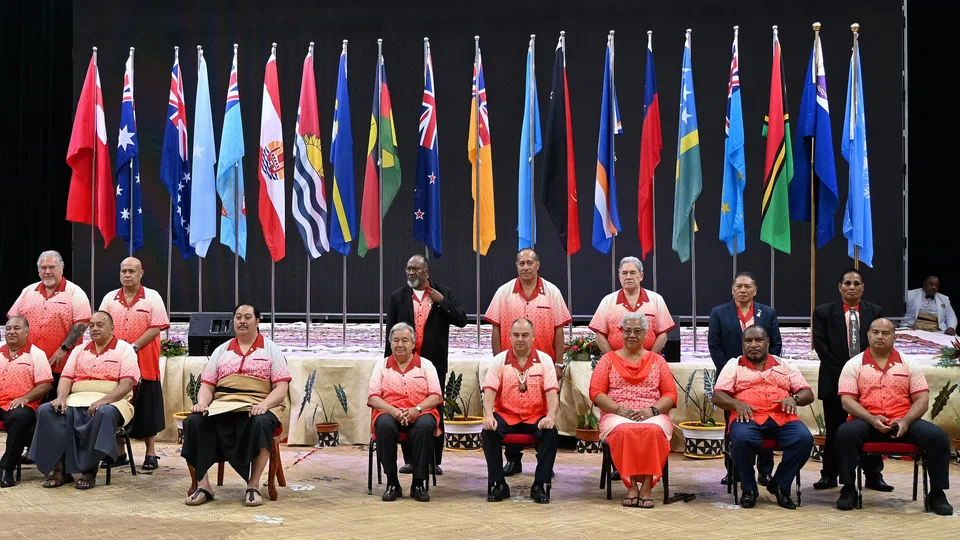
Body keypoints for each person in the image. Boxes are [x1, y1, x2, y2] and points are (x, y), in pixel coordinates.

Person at [834, 318, 954, 515]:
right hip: (867, 421)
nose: (880, 336)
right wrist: (871, 419)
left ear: (895, 337)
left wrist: (906, 421)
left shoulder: (908, 363)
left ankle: (937, 493)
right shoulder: (854, 364)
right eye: (875, 332)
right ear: (868, 335)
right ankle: (848, 489)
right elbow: (847, 401)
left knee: (937, 437)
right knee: (845, 433)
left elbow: (922, 399)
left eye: (886, 333)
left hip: (903, 422)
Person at [181, 304, 291, 507]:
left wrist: (264, 405)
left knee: (262, 423)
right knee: (193, 421)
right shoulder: (221, 350)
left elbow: (281, 388)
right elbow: (207, 385)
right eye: (238, 317)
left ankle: (253, 485)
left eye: (248, 317)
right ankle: (203, 485)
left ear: (258, 321)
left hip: (258, 403)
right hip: (223, 405)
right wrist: (203, 403)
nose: (242, 321)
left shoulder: (271, 349)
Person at [29, 311, 139, 490]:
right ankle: (61, 470)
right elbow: (66, 378)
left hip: (113, 401)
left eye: (100, 324)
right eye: (92, 325)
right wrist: (61, 397)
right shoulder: (80, 350)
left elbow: (126, 384)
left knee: (103, 412)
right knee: (46, 410)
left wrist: (105, 400)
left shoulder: (124, 349)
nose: (94, 328)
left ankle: (89, 471)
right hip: (76, 400)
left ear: (112, 327)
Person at [484, 248, 570, 475]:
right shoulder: (504, 292)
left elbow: (559, 330)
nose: (525, 267)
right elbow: (496, 328)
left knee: (542, 414)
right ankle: (513, 460)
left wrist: (558, 364)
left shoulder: (552, 292)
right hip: (510, 366)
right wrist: (497, 362)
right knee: (509, 410)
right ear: (516, 266)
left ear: (538, 265)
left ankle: (544, 462)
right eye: (521, 263)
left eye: (530, 262)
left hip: (544, 369)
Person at [713, 325, 814, 509]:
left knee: (804, 439)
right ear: (742, 344)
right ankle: (749, 488)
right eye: (748, 341)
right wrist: (737, 404)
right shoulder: (733, 365)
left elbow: (807, 393)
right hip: (748, 417)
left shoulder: (784, 365)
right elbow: (718, 395)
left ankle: (781, 485)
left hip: (782, 417)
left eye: (758, 340)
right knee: (741, 440)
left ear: (767, 342)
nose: (753, 344)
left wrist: (794, 398)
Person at [384, 254, 467, 476]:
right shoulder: (397, 297)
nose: (411, 273)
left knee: (433, 409)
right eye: (408, 269)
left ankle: (433, 460)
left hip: (433, 364)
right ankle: (410, 459)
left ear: (426, 272)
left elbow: (461, 320)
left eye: (416, 269)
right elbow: (389, 334)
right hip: (404, 364)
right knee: (404, 404)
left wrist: (442, 302)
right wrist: (387, 364)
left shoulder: (443, 293)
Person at [589, 312, 677, 508]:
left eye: (637, 331)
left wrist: (652, 411)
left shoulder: (657, 360)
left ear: (646, 334)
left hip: (652, 413)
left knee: (653, 430)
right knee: (624, 430)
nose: (632, 335)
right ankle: (631, 487)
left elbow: (670, 394)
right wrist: (619, 410)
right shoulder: (608, 359)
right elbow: (595, 392)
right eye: (627, 330)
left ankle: (647, 486)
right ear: (620, 332)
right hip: (616, 413)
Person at [813, 268, 890, 491]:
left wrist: (862, 376)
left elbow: (879, 346)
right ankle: (829, 475)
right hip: (834, 379)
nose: (852, 287)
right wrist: (847, 375)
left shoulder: (875, 312)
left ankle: (874, 475)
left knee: (872, 426)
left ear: (863, 287)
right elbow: (821, 347)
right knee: (835, 429)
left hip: (869, 383)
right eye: (847, 283)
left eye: (857, 283)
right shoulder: (823, 312)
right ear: (840, 287)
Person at [708, 270, 782, 486]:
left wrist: (767, 370)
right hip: (731, 379)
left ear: (755, 290)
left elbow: (776, 345)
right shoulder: (719, 313)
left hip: (765, 378)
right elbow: (714, 345)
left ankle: (765, 471)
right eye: (738, 286)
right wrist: (731, 371)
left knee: (766, 419)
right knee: (732, 426)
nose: (742, 290)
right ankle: (734, 471)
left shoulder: (767, 313)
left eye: (747, 286)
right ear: (732, 290)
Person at [99, 257, 170, 471]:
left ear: (141, 273)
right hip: (116, 364)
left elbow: (157, 327)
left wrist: (134, 347)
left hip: (145, 363)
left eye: (132, 271)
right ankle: (120, 453)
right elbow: (101, 324)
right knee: (116, 404)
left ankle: (150, 453)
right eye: (123, 271)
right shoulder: (110, 298)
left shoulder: (152, 297)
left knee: (148, 408)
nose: (127, 275)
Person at [481, 318, 559, 504]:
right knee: (488, 432)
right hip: (506, 416)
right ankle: (499, 483)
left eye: (525, 335)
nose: (520, 339)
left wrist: (550, 416)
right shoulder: (499, 361)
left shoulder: (544, 360)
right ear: (509, 337)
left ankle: (540, 484)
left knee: (551, 432)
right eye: (516, 335)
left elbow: (552, 392)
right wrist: (489, 416)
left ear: (533, 337)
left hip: (535, 417)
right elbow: (489, 390)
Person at [368, 323, 443, 503]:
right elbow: (373, 398)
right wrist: (393, 411)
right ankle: (392, 483)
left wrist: (416, 410)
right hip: (389, 412)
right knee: (384, 425)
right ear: (390, 344)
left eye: (404, 340)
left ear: (413, 344)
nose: (400, 344)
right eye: (395, 341)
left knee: (424, 427)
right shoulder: (381, 366)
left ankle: (418, 483)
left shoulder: (426, 365)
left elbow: (436, 396)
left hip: (420, 411)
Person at [7, 250, 91, 399]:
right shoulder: (27, 291)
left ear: (62, 267)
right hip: (28, 365)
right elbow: (13, 321)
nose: (47, 272)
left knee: (54, 410)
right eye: (43, 268)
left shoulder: (75, 292)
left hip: (59, 364)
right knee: (25, 408)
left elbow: (81, 324)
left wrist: (63, 348)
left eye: (52, 267)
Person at [0, 316, 53, 487]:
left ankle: (6, 469)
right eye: (8, 329)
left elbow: (46, 384)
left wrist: (25, 398)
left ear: (27, 332)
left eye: (16, 328)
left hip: (21, 405)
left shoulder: (36, 354)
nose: (11, 332)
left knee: (21, 417)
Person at [590, 257, 675, 355]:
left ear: (641, 276)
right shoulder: (607, 301)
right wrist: (613, 360)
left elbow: (663, 334)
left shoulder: (656, 299)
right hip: (616, 364)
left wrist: (649, 359)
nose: (628, 277)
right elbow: (600, 336)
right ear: (619, 276)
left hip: (650, 363)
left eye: (633, 272)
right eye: (624, 273)